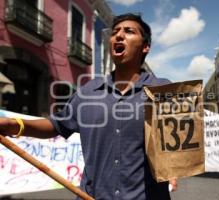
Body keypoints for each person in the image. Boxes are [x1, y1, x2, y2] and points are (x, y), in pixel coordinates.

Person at [0, 13, 176, 199]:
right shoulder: (87, 92)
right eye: (115, 31)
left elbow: (180, 141)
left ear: (145, 47)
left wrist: (175, 167)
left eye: (129, 31)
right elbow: (56, 125)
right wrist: (16, 125)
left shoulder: (163, 90)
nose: (119, 35)